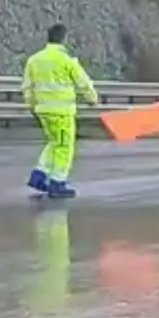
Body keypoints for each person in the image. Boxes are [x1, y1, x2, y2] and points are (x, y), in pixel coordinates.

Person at [22, 24, 99, 198]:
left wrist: (32, 105)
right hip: (62, 112)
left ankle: (39, 175)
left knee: (53, 142)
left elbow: (27, 86)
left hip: (43, 110)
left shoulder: (34, 60)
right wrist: (92, 99)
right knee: (64, 146)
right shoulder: (66, 60)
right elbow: (83, 82)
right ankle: (58, 183)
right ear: (64, 39)